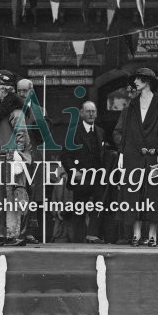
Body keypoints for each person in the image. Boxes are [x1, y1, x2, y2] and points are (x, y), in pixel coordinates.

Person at [113, 68, 158, 247]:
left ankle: (152, 235)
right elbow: (126, 131)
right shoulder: (132, 104)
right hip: (132, 155)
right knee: (133, 194)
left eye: (139, 78)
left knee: (154, 194)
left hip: (152, 156)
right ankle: (136, 234)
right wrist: (121, 153)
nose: (135, 81)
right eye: (134, 78)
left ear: (148, 81)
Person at [0, 70, 31, 246]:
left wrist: (19, 157)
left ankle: (14, 234)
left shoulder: (15, 110)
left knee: (14, 198)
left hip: (12, 160)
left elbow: (22, 135)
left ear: (4, 89)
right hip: (2, 159)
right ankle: (4, 233)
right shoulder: (2, 108)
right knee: (0, 199)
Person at [60, 101, 106, 244]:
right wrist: (74, 172)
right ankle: (78, 241)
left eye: (93, 111)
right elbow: (65, 156)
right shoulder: (73, 131)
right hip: (80, 178)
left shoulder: (100, 131)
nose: (91, 114)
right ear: (81, 113)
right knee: (79, 209)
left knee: (98, 207)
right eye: (88, 111)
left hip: (97, 177)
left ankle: (92, 235)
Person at [16, 78, 51, 244]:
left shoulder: (40, 110)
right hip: (16, 157)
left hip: (34, 157)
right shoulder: (13, 109)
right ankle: (15, 230)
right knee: (17, 193)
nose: (22, 94)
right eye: (19, 91)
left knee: (33, 194)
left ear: (32, 92)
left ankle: (29, 231)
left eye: (25, 91)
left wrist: (41, 124)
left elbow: (45, 138)